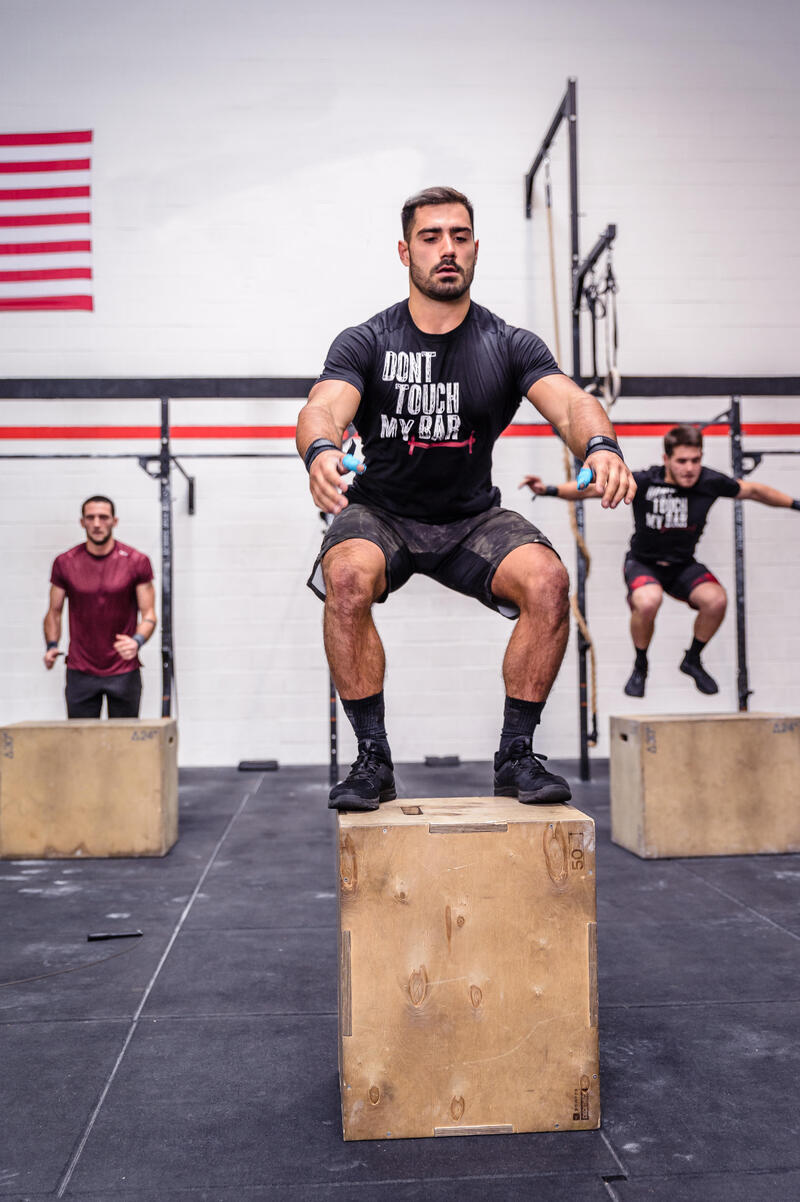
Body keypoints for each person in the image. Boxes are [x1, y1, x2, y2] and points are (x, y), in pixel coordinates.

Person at [296, 185, 636, 811]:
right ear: (406, 251)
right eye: (431, 237)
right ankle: (372, 759)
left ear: (475, 248)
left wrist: (603, 447)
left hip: (470, 518)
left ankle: (516, 756)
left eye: (459, 236)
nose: (446, 249)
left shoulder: (508, 344)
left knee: (548, 581)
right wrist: (320, 451)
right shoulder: (367, 340)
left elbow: (573, 402)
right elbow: (322, 407)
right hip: (382, 515)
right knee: (345, 576)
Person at [522, 424, 800, 698]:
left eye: (695, 460)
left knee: (716, 601)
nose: (689, 468)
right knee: (648, 601)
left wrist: (794, 503)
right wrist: (548, 489)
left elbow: (753, 491)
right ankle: (641, 664)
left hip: (682, 565)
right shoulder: (645, 480)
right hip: (643, 563)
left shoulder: (710, 482)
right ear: (667, 459)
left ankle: (692, 659)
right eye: (682, 461)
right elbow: (594, 489)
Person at [43, 495, 157, 718]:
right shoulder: (65, 562)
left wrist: (137, 641)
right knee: (82, 745)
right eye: (90, 518)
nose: (96, 524)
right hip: (80, 670)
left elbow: (149, 614)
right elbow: (54, 612)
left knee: (124, 745)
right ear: (82, 522)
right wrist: (51, 645)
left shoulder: (136, 561)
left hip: (123, 669)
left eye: (103, 517)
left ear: (114, 521)